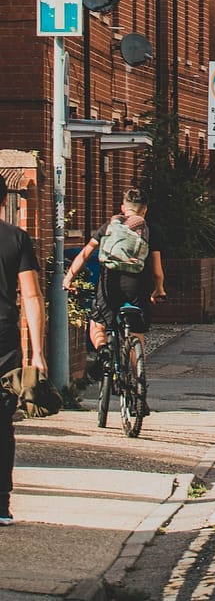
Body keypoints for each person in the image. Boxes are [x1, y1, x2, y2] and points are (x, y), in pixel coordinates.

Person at [62, 188, 166, 383]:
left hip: (109, 284)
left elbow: (85, 254)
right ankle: (139, 382)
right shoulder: (150, 230)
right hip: (137, 286)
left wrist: (69, 278)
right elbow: (157, 270)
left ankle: (103, 352)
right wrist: (159, 289)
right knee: (136, 333)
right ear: (144, 210)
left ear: (122, 208)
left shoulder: (110, 225)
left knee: (97, 325)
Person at [0, 174, 46, 526]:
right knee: (3, 424)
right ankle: (1, 504)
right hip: (5, 344)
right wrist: (37, 352)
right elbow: (31, 295)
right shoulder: (16, 238)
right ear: (4, 202)